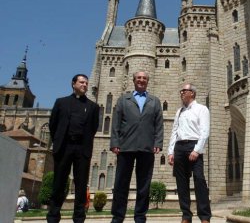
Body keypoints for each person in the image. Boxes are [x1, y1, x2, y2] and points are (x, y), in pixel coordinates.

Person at [110, 71, 164, 223]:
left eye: (144, 78)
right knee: (121, 184)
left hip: (147, 148)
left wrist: (158, 143)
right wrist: (115, 143)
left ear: (148, 81)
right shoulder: (123, 100)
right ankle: (118, 216)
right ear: (134, 80)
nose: (141, 80)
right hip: (126, 147)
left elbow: (159, 124)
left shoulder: (154, 101)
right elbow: (116, 123)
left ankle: (140, 217)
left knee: (144, 185)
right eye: (139, 78)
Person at [47, 74, 99, 223]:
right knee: (58, 184)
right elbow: (53, 125)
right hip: (64, 147)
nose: (84, 85)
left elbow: (93, 127)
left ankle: (78, 218)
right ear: (73, 84)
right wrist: (59, 141)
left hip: (82, 149)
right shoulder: (61, 103)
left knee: (81, 186)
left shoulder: (93, 107)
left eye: (86, 83)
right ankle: (53, 217)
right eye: (81, 82)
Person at [168, 83, 212, 223]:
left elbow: (204, 131)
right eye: (181, 91)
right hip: (179, 148)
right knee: (181, 183)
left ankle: (204, 216)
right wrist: (170, 152)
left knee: (199, 180)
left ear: (192, 93)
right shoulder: (179, 111)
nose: (181, 93)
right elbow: (174, 132)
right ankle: (186, 215)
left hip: (194, 146)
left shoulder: (202, 109)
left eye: (184, 90)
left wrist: (197, 150)